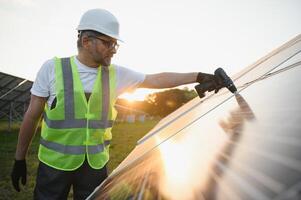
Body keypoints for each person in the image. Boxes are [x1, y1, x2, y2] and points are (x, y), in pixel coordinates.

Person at [11, 8, 224, 199]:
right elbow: (32, 115)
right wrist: (20, 158)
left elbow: (156, 79)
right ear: (86, 41)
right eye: (108, 43)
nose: (113, 49)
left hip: (95, 168)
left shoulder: (116, 75)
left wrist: (198, 76)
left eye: (115, 44)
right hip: (54, 165)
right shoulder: (52, 69)